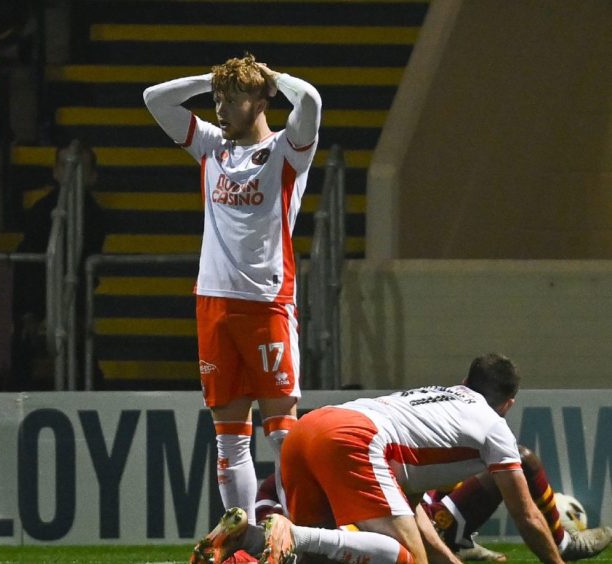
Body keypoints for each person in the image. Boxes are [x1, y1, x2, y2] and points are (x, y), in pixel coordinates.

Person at [191, 354, 602, 564]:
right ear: (509, 403)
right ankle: (292, 533)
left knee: (314, 562)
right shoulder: (495, 428)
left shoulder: (436, 398)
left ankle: (247, 540)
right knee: (407, 561)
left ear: (464, 383)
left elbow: (409, 510)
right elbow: (528, 515)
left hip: (311, 429)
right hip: (352, 439)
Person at [143, 53, 321, 523]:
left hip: (267, 304)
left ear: (261, 100)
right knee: (229, 438)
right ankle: (242, 540)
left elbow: (313, 101)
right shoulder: (210, 146)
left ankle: (297, 536)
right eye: (216, 100)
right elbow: (153, 98)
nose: (220, 108)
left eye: (232, 98)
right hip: (214, 303)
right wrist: (210, 79)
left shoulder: (287, 150)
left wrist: (273, 79)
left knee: (283, 434)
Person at [250, 446, 612, 563]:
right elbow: (278, 540)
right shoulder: (273, 495)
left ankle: (563, 541)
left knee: (518, 459)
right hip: (396, 544)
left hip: (421, 525)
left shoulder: (349, 465)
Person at [11, 141, 106, 390]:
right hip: (34, 293)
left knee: (82, 353)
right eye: (65, 165)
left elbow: (86, 267)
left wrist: (71, 305)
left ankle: (94, 403)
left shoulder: (95, 216)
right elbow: (28, 263)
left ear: (93, 176)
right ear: (55, 172)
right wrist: (30, 311)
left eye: (80, 167)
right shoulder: (41, 211)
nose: (71, 172)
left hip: (73, 296)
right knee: (22, 350)